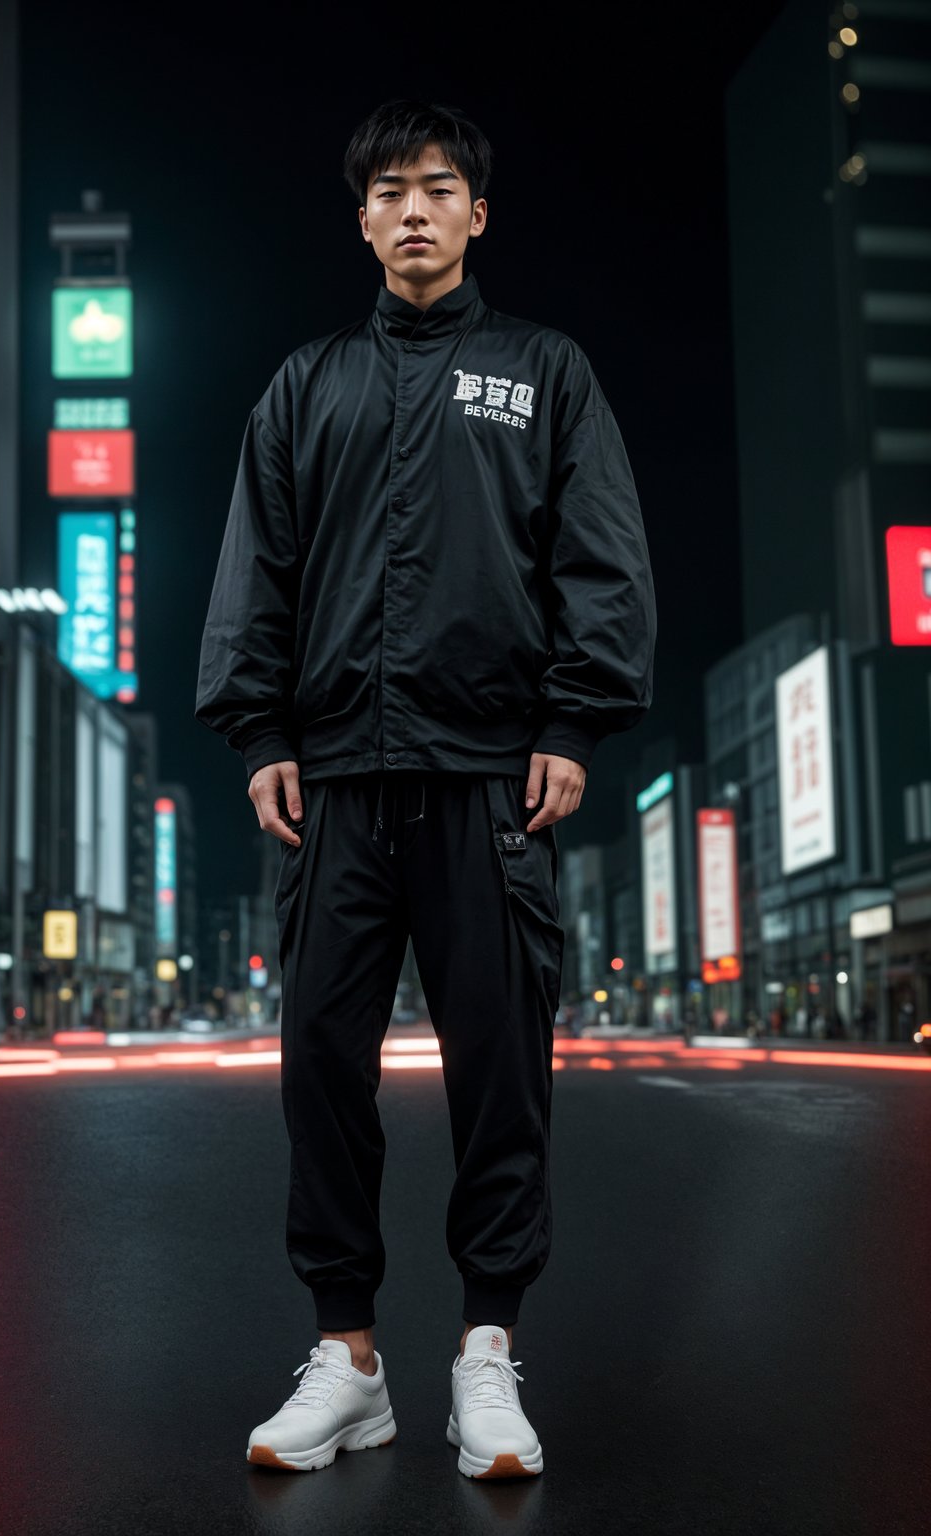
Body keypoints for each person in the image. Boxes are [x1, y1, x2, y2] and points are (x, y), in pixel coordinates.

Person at [195, 98, 657, 1480]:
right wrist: (260, 731)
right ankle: (348, 1361)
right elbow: (254, 573)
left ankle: (488, 1358)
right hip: (333, 783)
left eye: (437, 187)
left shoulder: (543, 371)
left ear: (476, 214)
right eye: (387, 190)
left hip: (489, 785)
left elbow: (601, 556)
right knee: (321, 1069)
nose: (411, 209)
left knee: (500, 1071)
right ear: (361, 220)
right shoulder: (306, 386)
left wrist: (575, 713)